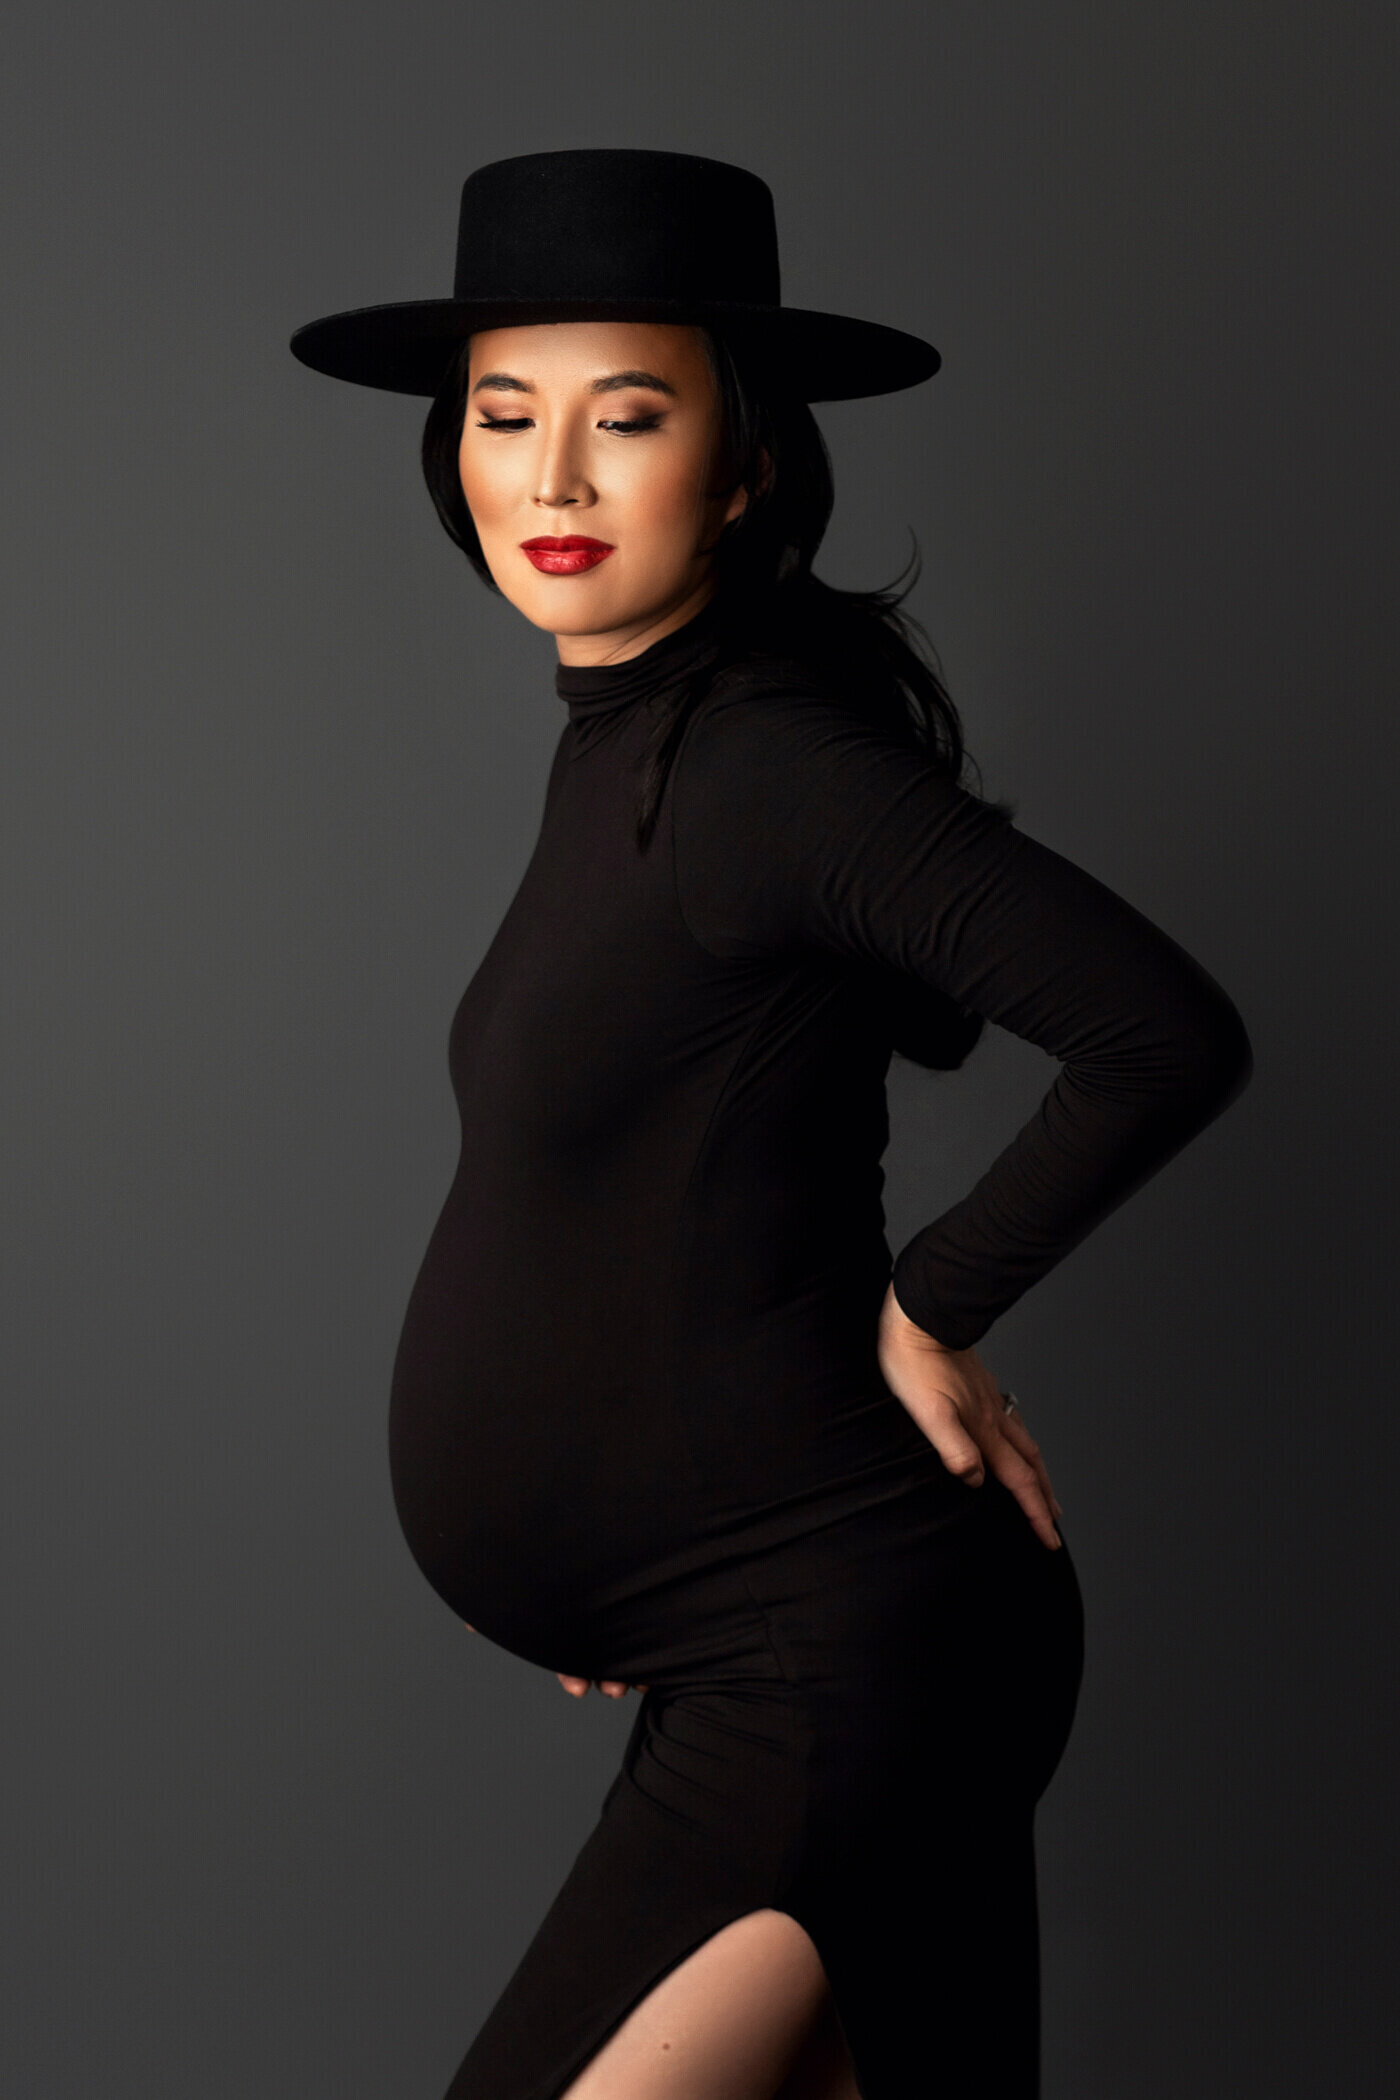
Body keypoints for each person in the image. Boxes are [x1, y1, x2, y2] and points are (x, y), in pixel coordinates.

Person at [290, 149, 1253, 2100]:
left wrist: (936, 1299)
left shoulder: (760, 769)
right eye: (505, 412)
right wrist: (614, 1537)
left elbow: (1158, 1032)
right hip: (763, 1630)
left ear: (740, 467)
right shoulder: (640, 743)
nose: (550, 479)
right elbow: (685, 1189)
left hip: (838, 1653)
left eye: (625, 417)